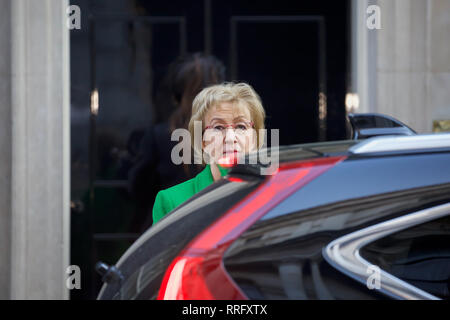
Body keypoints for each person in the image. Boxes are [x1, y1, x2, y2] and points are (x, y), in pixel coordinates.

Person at [128, 53, 225, 231]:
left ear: (175, 97)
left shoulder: (159, 136)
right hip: (219, 232)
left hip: (169, 233)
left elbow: (138, 190)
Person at [152, 82, 266, 224]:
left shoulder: (276, 193)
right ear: (203, 141)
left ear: (255, 138)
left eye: (241, 126)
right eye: (218, 127)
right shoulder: (171, 201)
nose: (230, 139)